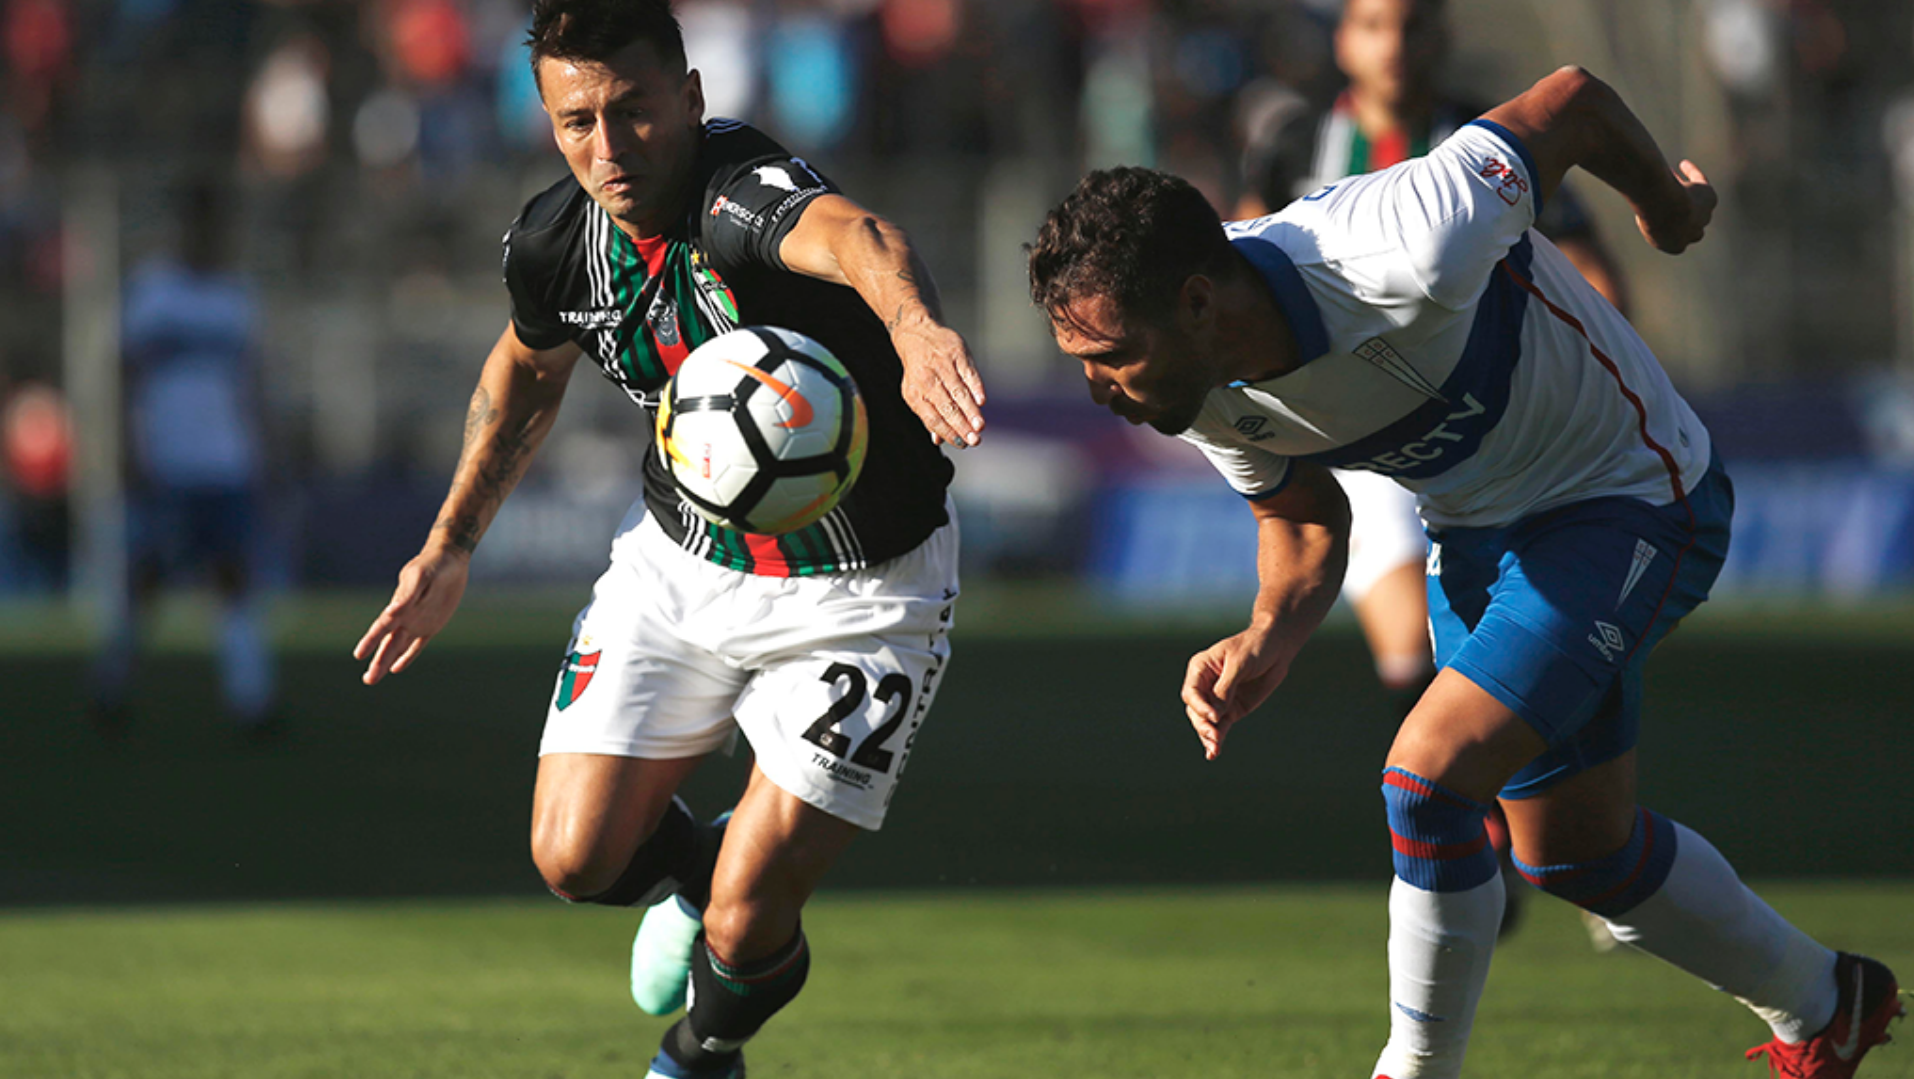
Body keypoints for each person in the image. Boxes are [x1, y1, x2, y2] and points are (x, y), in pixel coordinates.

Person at [1029, 65, 1901, 1079]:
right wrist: (1268, 630)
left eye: (1110, 356)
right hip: (1483, 538)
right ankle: (1829, 1000)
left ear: (1195, 299)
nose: (1097, 388)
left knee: (1426, 781)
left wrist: (1666, 206)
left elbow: (1568, 100)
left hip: (1630, 494)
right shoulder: (1198, 386)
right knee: (1578, 851)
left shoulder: (1400, 240)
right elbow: (1302, 518)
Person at [353, 3, 985, 1077]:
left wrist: (917, 329)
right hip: (682, 564)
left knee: (748, 922)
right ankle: (698, 866)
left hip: (863, 591)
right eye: (577, 120)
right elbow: (521, 376)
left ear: (691, 98)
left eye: (635, 111)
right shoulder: (559, 242)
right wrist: (450, 541)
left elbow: (859, 236)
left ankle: (696, 1053)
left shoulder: (740, 197)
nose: (608, 147)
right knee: (574, 855)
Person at [1237, 0, 1634, 944]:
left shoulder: (1476, 139)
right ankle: (1485, 827)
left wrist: (1607, 339)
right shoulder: (1296, 138)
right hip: (1362, 429)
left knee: (1540, 640)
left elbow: (1582, 253)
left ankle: (1576, 835)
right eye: (1373, 25)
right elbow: (1245, 256)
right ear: (1345, 41)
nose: (1393, 45)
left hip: (1490, 414)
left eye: (1410, 26)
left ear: (1437, 39)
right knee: (1407, 648)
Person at [92, 177, 277, 737]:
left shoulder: (236, 297)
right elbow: (123, 379)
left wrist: (265, 452)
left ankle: (252, 701)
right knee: (146, 579)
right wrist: (127, 447)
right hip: (168, 462)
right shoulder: (154, 293)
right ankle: (111, 683)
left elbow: (252, 385)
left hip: (226, 462)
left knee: (232, 578)